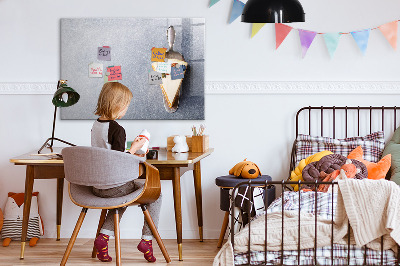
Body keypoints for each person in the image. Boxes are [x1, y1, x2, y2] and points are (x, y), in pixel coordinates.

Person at [91, 82, 161, 263]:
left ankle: (103, 238)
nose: (126, 109)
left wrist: (130, 150)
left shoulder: (96, 125)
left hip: (97, 186)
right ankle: (147, 240)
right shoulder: (117, 129)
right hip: (114, 186)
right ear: (118, 105)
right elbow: (119, 161)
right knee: (156, 194)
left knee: (121, 197)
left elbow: (108, 154)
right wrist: (136, 148)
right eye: (126, 105)